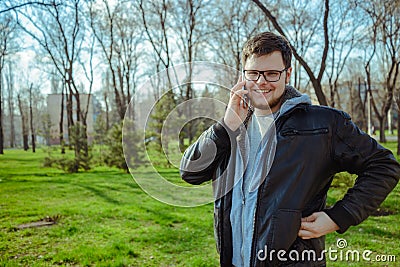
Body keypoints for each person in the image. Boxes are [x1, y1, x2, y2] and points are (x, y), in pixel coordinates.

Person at [180, 31, 399, 266]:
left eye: (272, 73)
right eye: (253, 73)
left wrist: (337, 217)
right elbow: (191, 172)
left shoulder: (324, 124)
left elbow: (384, 166)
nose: (261, 82)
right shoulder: (233, 126)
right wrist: (226, 126)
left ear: (288, 74)